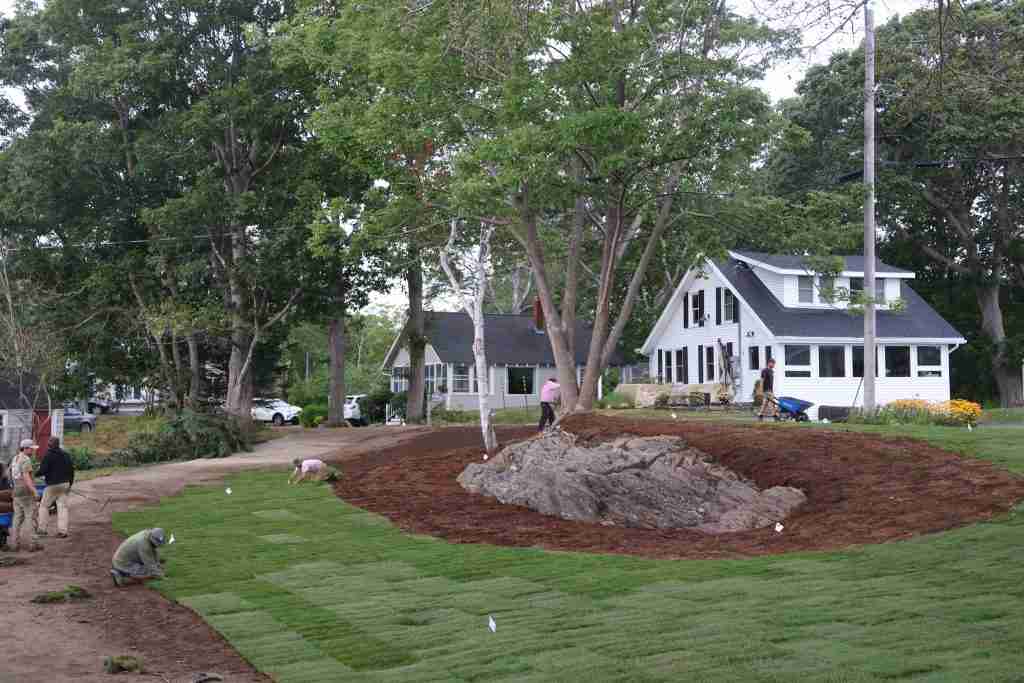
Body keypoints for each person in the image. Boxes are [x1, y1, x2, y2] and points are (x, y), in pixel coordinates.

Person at [36, 437, 75, 539]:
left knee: (44, 506)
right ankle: (63, 531)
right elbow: (71, 471)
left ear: (49, 445)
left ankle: (42, 530)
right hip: (65, 484)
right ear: (58, 444)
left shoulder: (48, 455)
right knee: (62, 507)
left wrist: (35, 474)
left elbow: (43, 470)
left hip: (53, 485)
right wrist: (70, 484)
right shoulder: (66, 455)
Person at [8, 439, 42, 552]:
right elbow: (26, 477)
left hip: (16, 491)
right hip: (25, 491)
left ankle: (14, 544)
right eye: (31, 449)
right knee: (31, 517)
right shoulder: (26, 459)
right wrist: (34, 491)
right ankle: (33, 544)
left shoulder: (15, 458)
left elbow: (10, 475)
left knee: (17, 518)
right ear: (26, 448)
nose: (33, 451)